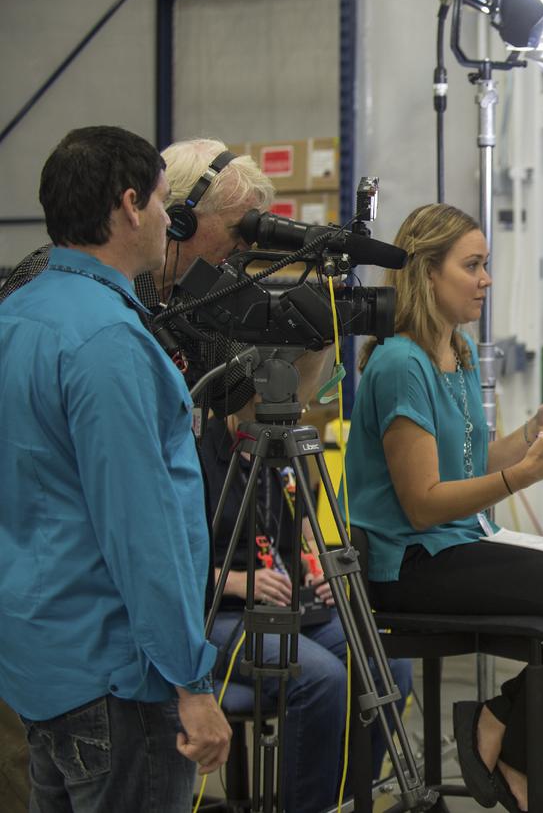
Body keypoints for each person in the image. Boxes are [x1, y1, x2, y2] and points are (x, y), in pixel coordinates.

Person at [345, 204, 543, 812]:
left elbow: (466, 464)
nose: (486, 279)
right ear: (426, 273)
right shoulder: (401, 363)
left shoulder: (457, 350)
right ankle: (521, 760)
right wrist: (524, 475)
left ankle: (500, 722)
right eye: (472, 266)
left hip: (458, 541)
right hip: (410, 562)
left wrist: (530, 433)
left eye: (485, 264)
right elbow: (422, 505)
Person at [0, 126, 232, 810]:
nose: (167, 219)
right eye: (162, 201)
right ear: (130, 205)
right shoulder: (107, 340)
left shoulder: (18, 316)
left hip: (40, 662)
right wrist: (191, 683)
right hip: (116, 679)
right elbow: (141, 530)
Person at [199, 406, 415, 813]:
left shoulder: (284, 453)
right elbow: (167, 565)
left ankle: (350, 802)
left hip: (291, 603)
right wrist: (236, 581)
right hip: (219, 612)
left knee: (389, 665)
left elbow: (304, 531)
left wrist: (318, 567)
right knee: (322, 678)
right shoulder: (198, 453)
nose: (296, 408)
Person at [0, 136, 275, 416]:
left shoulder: (202, 288)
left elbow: (237, 397)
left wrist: (293, 342)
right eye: (237, 229)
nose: (246, 245)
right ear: (181, 220)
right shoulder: (55, 280)